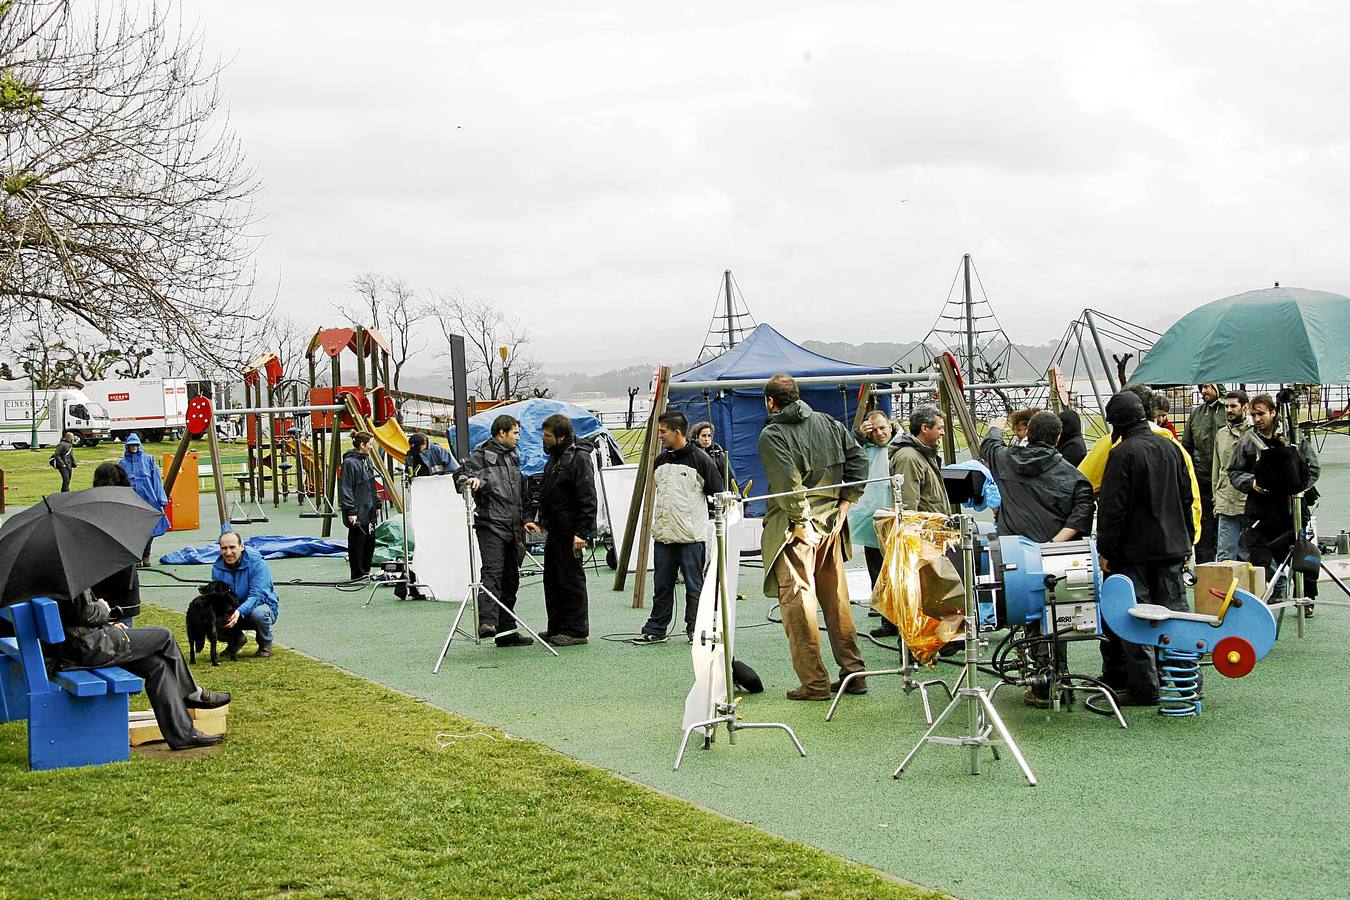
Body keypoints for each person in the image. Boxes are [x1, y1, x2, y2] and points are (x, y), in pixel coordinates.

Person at [758, 373, 868, 700]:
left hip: (796, 532)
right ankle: (855, 674)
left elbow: (787, 484)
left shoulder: (772, 434)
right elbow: (858, 461)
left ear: (770, 402)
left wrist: (801, 523)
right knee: (837, 603)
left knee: (798, 606)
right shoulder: (829, 423)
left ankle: (815, 683)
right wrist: (845, 505)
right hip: (832, 524)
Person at [981, 411, 1095, 706]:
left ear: (1027, 433)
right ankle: (1058, 677)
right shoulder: (1073, 476)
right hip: (1057, 557)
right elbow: (1084, 509)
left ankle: (1040, 680)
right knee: (1059, 619)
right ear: (1057, 438)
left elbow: (989, 446)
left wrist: (996, 426)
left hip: (1013, 559)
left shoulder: (1005, 459)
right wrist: (1053, 544)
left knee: (1028, 619)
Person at [1095, 391, 1196, 706]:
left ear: (1117, 423)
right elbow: (1186, 496)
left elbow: (1113, 509)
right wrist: (1188, 539)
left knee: (1136, 619)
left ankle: (1144, 687)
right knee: (1177, 617)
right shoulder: (1171, 447)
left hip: (1133, 552)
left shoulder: (1122, 453)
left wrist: (1106, 550)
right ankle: (1187, 682)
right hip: (1172, 547)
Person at [54, 589, 230, 750]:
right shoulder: (67, 578)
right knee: (164, 636)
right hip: (89, 648)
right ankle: (191, 693)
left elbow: (75, 617)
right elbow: (84, 613)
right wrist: (102, 608)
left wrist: (107, 623)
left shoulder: (59, 574)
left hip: (80, 647)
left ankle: (182, 734)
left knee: (157, 665)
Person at [632, 411, 723, 645]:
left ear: (677, 432)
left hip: (691, 537)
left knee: (694, 586)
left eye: (663, 431)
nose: (659, 435)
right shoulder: (660, 461)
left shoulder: (702, 460)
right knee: (661, 585)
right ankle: (656, 629)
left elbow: (717, 494)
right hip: (663, 536)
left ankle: (697, 629)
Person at [1228, 393, 1321, 613]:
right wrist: (1252, 484)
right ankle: (1263, 600)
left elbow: (1314, 467)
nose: (1256, 419)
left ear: (1273, 412)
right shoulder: (1247, 442)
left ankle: (1306, 599)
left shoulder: (1294, 438)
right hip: (1262, 509)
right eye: (1253, 415)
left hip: (1293, 507)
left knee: (1302, 554)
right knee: (1258, 556)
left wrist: (1299, 488)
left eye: (1260, 414)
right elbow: (1233, 472)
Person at [872, 406, 951, 638]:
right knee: (920, 590)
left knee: (935, 589)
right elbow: (908, 506)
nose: (943, 433)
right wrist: (915, 542)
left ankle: (932, 635)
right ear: (925, 428)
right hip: (922, 536)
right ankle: (916, 640)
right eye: (940, 428)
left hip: (931, 532)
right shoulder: (909, 457)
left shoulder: (922, 454)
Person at [456, 414, 533, 647]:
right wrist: (470, 481)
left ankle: (507, 632)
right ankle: (487, 622)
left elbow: (521, 491)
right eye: (515, 433)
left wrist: (525, 519)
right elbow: (460, 476)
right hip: (490, 524)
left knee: (511, 579)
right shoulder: (481, 455)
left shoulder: (514, 456)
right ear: (502, 433)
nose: (518, 437)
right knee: (493, 571)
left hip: (513, 525)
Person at [526, 414, 597, 646]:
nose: (543, 440)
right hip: (556, 530)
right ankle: (556, 627)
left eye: (547, 436)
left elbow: (588, 498)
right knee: (553, 580)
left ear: (561, 436)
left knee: (571, 580)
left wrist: (582, 532)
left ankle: (576, 631)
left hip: (571, 531)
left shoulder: (579, 458)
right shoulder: (556, 457)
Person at [848, 410, 897, 597]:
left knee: (896, 559)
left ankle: (895, 603)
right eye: (874, 430)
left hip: (896, 513)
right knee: (875, 560)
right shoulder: (865, 448)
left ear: (890, 426)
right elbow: (845, 452)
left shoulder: (902, 445)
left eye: (882, 428)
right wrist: (858, 436)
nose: (879, 433)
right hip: (872, 515)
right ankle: (879, 602)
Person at [212, 530, 279, 658]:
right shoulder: (217, 568)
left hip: (260, 605)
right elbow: (219, 596)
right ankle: (236, 639)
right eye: (224, 548)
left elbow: (258, 595)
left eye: (232, 547)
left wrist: (239, 611)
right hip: (234, 608)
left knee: (259, 614)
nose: (228, 552)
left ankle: (265, 642)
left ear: (241, 546)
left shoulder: (258, 564)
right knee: (212, 615)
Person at [1181, 384, 1225, 564]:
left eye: (1207, 387)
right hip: (1202, 479)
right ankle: (1204, 568)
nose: (1203, 391)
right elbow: (1187, 447)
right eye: (1201, 388)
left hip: (1226, 480)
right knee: (1204, 527)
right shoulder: (1196, 413)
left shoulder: (1228, 409)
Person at [117, 433, 169, 566]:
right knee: (133, 530)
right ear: (127, 446)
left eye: (135, 444)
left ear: (139, 445)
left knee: (149, 530)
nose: (133, 447)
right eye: (131, 445)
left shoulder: (148, 460)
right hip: (131, 502)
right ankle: (136, 557)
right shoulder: (121, 464)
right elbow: (118, 483)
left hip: (149, 501)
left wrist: (161, 499)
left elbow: (156, 480)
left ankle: (146, 556)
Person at [1212, 389, 1252, 562]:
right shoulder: (1221, 434)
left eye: (1233, 406)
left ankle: (1277, 585)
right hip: (1226, 501)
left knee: (1254, 553)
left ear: (1245, 407)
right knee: (1224, 554)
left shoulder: (1255, 433)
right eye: (1226, 406)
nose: (1229, 410)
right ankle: (1223, 588)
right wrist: (1216, 498)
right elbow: (1217, 468)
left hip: (1251, 501)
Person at [339, 431, 380, 580]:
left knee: (369, 540)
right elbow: (346, 487)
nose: (371, 447)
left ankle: (365, 571)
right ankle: (357, 573)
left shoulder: (366, 460)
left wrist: (376, 503)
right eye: (370, 444)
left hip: (368, 507)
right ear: (362, 445)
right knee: (357, 541)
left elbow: (371, 483)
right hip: (357, 509)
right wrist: (351, 510)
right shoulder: (350, 463)